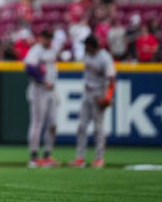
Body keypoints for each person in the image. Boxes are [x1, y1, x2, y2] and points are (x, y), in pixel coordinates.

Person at [68, 35, 116, 168]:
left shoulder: (105, 58)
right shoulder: (87, 54)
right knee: (81, 126)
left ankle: (99, 159)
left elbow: (112, 80)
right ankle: (80, 158)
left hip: (99, 93)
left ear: (92, 46)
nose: (85, 47)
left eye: (87, 45)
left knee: (98, 127)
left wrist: (107, 97)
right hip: (87, 92)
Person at [24, 29, 59, 168]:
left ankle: (47, 155)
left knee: (53, 124)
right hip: (39, 90)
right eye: (46, 37)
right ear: (41, 37)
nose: (48, 40)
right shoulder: (35, 50)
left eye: (50, 38)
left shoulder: (51, 51)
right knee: (37, 123)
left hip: (51, 91)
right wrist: (44, 81)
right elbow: (29, 69)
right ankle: (33, 157)